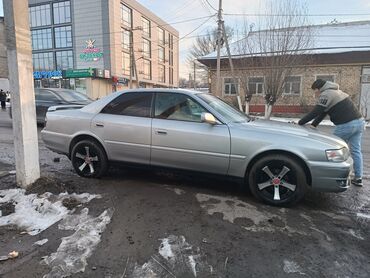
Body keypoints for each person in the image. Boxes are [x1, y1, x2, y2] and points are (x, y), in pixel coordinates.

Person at [298, 79, 365, 187]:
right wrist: (313, 125)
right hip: (359, 122)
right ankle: (358, 178)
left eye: (315, 91)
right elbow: (323, 113)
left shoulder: (326, 94)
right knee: (356, 151)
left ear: (318, 89)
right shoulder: (337, 92)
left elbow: (317, 111)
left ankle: (333, 178)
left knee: (331, 150)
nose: (315, 93)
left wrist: (300, 122)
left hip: (346, 124)